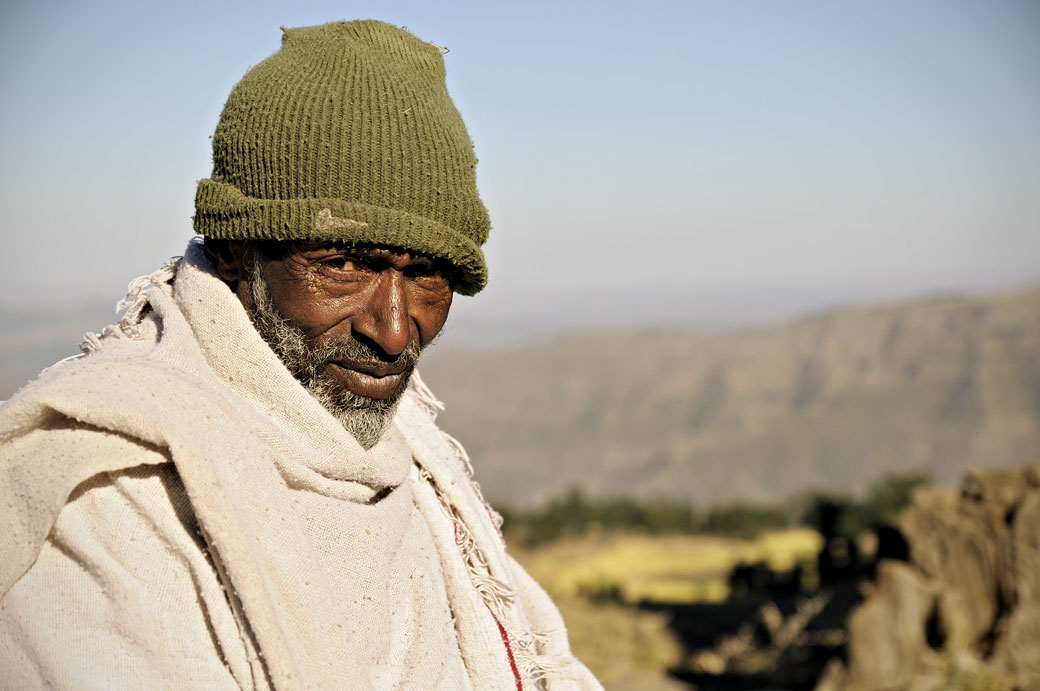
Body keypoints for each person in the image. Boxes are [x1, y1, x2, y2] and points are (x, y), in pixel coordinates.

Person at [0, 20, 601, 690]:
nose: (396, 332)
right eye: (344, 263)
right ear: (235, 251)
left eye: (429, 274)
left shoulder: (425, 469)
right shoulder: (109, 505)